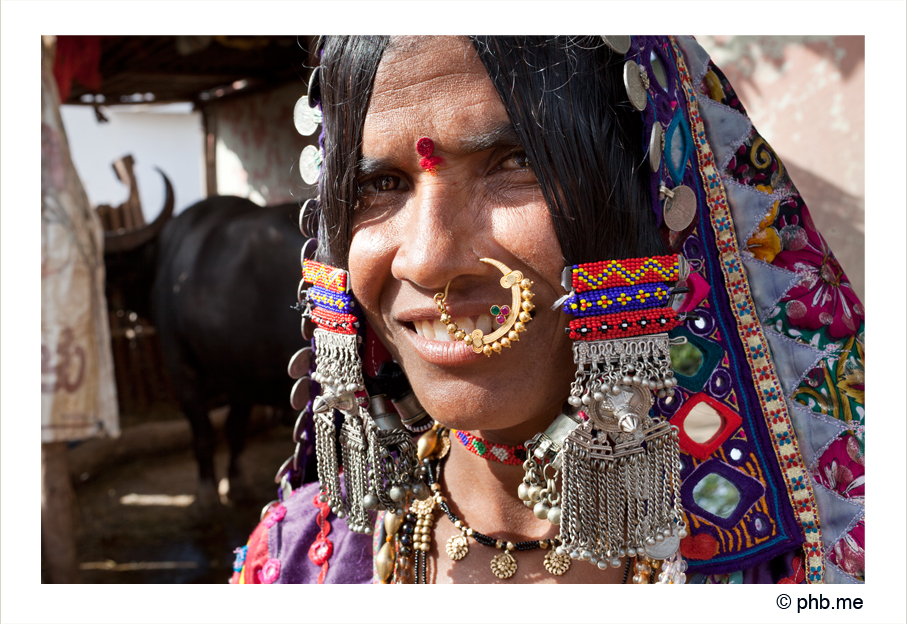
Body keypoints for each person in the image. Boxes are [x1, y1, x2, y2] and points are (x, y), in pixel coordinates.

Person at [231, 36, 865, 585]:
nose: (427, 260)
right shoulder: (296, 563)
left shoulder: (831, 561)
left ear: (643, 204)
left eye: (514, 164)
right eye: (382, 184)